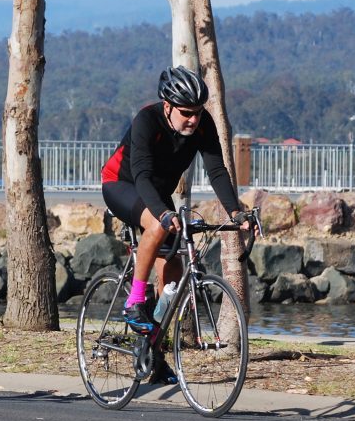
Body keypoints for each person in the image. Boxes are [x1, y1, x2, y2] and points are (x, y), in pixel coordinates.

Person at [101, 65, 248, 384]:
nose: (193, 119)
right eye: (185, 113)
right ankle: (133, 302)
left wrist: (236, 212)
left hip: (156, 195)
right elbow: (140, 175)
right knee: (157, 226)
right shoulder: (147, 120)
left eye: (197, 112)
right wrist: (163, 215)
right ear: (167, 106)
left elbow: (217, 171)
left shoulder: (202, 124)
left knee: (175, 272)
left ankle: (151, 354)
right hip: (122, 185)